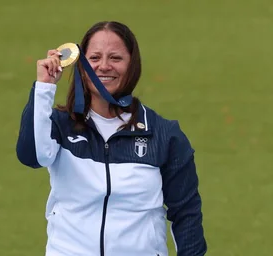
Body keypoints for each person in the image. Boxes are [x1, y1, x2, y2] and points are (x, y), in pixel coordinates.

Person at [16, 21, 207, 256]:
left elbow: (186, 213)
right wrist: (44, 88)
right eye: (94, 58)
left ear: (132, 65)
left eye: (116, 58)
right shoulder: (60, 125)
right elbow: (31, 156)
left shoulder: (164, 134)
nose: (104, 66)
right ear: (82, 65)